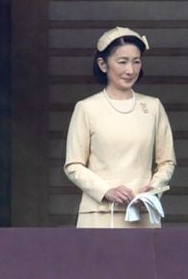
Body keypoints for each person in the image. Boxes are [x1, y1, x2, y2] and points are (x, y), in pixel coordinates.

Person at [64, 27, 176, 228]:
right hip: (98, 215)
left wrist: (152, 188)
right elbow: (73, 165)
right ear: (103, 64)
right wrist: (106, 191)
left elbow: (167, 161)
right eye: (122, 62)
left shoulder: (153, 107)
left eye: (136, 61)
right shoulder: (86, 108)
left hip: (143, 214)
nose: (130, 70)